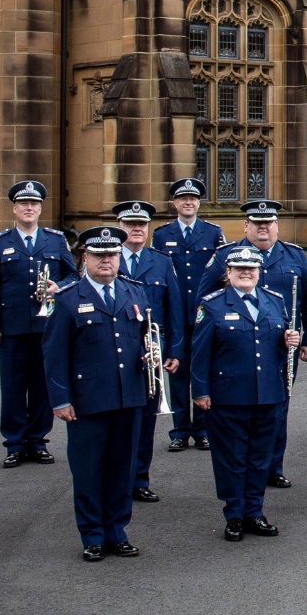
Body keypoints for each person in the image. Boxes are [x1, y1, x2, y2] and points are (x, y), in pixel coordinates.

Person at [41, 226, 151, 562]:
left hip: (128, 396)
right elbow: (54, 354)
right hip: (87, 400)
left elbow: (144, 338)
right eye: (99, 255)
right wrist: (60, 400)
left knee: (122, 468)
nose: (107, 260)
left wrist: (148, 357)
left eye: (112, 255)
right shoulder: (67, 299)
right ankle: (92, 535)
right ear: (84, 257)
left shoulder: (135, 293)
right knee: (89, 470)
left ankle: (116, 532)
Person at [199, 199, 307, 489]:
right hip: (234, 350)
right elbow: (202, 301)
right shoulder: (226, 255)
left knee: (277, 408)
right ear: (246, 226)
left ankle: (272, 466)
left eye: (268, 223)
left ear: (276, 225)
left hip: (281, 349)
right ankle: (242, 470)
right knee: (237, 413)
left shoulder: (295, 256)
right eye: (257, 223)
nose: (263, 227)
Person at [190, 247, 297, 542]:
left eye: (251, 268)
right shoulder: (211, 305)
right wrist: (200, 392)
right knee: (232, 458)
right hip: (228, 396)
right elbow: (199, 354)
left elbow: (275, 346)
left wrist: (289, 339)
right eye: (239, 269)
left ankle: (255, 511)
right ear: (228, 272)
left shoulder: (274, 302)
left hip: (268, 394)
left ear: (259, 272)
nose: (246, 273)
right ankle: (234, 514)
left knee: (260, 458)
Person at [0, 180, 76, 469]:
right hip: (11, 328)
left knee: (41, 387)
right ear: (14, 209)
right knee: (12, 387)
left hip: (48, 326)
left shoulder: (56, 240)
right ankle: (14, 443)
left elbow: (73, 278)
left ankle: (37, 441)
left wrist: (56, 288)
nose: (29, 208)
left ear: (40, 209)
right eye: (24, 204)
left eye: (34, 204)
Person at [113, 201, 184, 504]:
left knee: (145, 420)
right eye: (130, 225)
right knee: (117, 420)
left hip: (152, 351)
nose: (137, 229)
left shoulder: (161, 261)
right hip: (115, 351)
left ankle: (140, 479)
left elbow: (174, 310)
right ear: (120, 227)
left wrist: (175, 350)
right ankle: (116, 480)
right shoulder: (107, 257)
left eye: (142, 224)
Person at [152, 178, 223, 452]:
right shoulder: (161, 235)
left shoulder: (213, 233)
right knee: (177, 371)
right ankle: (180, 430)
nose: (188, 202)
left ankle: (202, 429)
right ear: (175, 203)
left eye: (193, 198)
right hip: (176, 314)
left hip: (205, 315)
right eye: (183, 199)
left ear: (198, 203)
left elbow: (220, 274)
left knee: (203, 370)